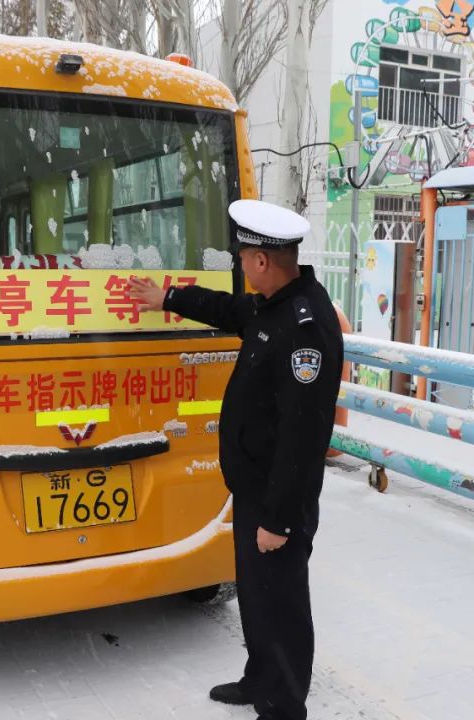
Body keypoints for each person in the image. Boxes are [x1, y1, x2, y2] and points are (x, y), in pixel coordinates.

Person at [129, 199, 344, 720]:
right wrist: (168, 297)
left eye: (244, 258)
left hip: (278, 499)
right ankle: (259, 679)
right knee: (255, 593)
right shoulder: (273, 304)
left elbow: (303, 436)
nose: (241, 265)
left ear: (263, 261)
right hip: (255, 489)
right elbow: (227, 310)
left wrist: (278, 520)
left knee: (282, 604)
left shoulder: (305, 327)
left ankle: (283, 706)